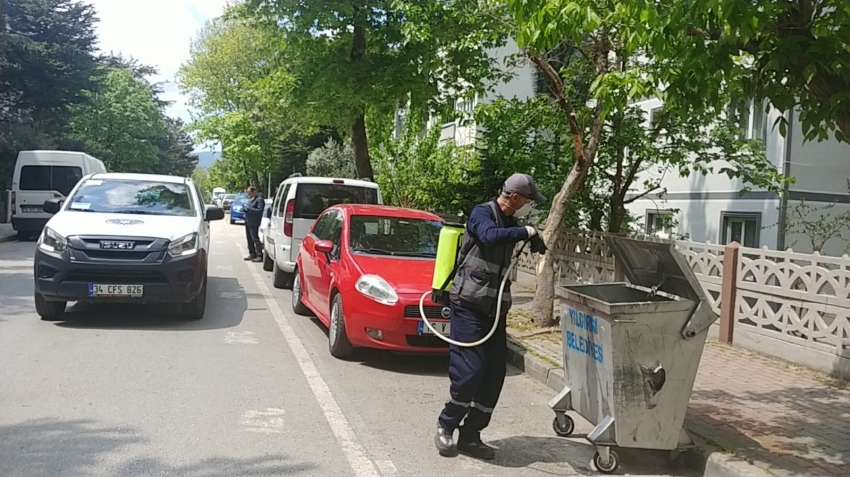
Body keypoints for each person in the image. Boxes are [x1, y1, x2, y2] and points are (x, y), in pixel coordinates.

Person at [434, 173, 548, 460]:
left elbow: (511, 240)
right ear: (515, 197)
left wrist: (535, 240)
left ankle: (471, 436)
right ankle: (445, 426)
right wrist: (526, 232)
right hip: (468, 306)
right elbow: (488, 237)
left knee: (495, 371)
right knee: (470, 369)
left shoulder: (510, 222)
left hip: (494, 310)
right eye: (528, 201)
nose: (529, 207)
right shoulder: (481, 214)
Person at [243, 186, 266, 262]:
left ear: (254, 192)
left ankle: (259, 255)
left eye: (250, 193)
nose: (249, 195)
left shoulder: (259, 200)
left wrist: (249, 209)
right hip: (248, 221)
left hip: (254, 222)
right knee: (249, 238)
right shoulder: (251, 200)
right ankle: (252, 253)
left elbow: (259, 211)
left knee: (255, 238)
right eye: (248, 194)